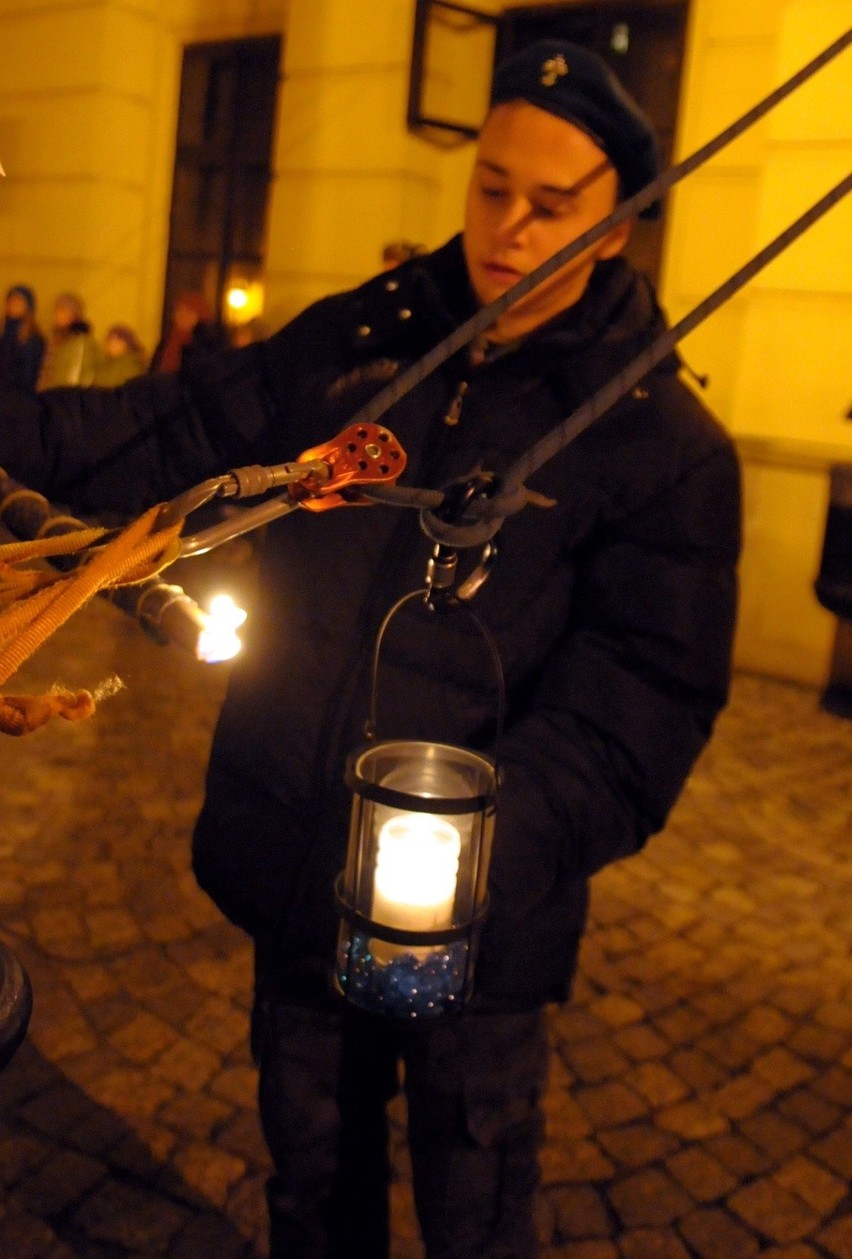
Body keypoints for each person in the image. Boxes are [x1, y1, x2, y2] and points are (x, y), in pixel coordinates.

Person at [0, 40, 740, 1259]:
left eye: (552, 205)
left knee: (474, 1207)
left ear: (616, 229)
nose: (507, 226)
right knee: (310, 1190)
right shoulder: (365, 340)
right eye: (490, 183)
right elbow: (165, 428)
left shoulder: (658, 436)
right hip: (299, 879)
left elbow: (643, 708)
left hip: (480, 942)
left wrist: (471, 855)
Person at [148, 289, 229, 373]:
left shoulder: (206, 343)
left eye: (188, 312)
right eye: (179, 310)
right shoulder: (167, 339)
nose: (182, 315)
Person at [37, 291, 98, 388]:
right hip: (47, 394)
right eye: (57, 309)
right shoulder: (50, 337)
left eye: (64, 310)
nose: (59, 314)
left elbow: (83, 376)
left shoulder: (82, 342)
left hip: (66, 396)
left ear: (75, 315)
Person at [0, 284, 46, 390]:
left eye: (19, 301)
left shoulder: (32, 337)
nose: (13, 305)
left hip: (17, 395)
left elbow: (29, 373)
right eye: (11, 301)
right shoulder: (3, 331)